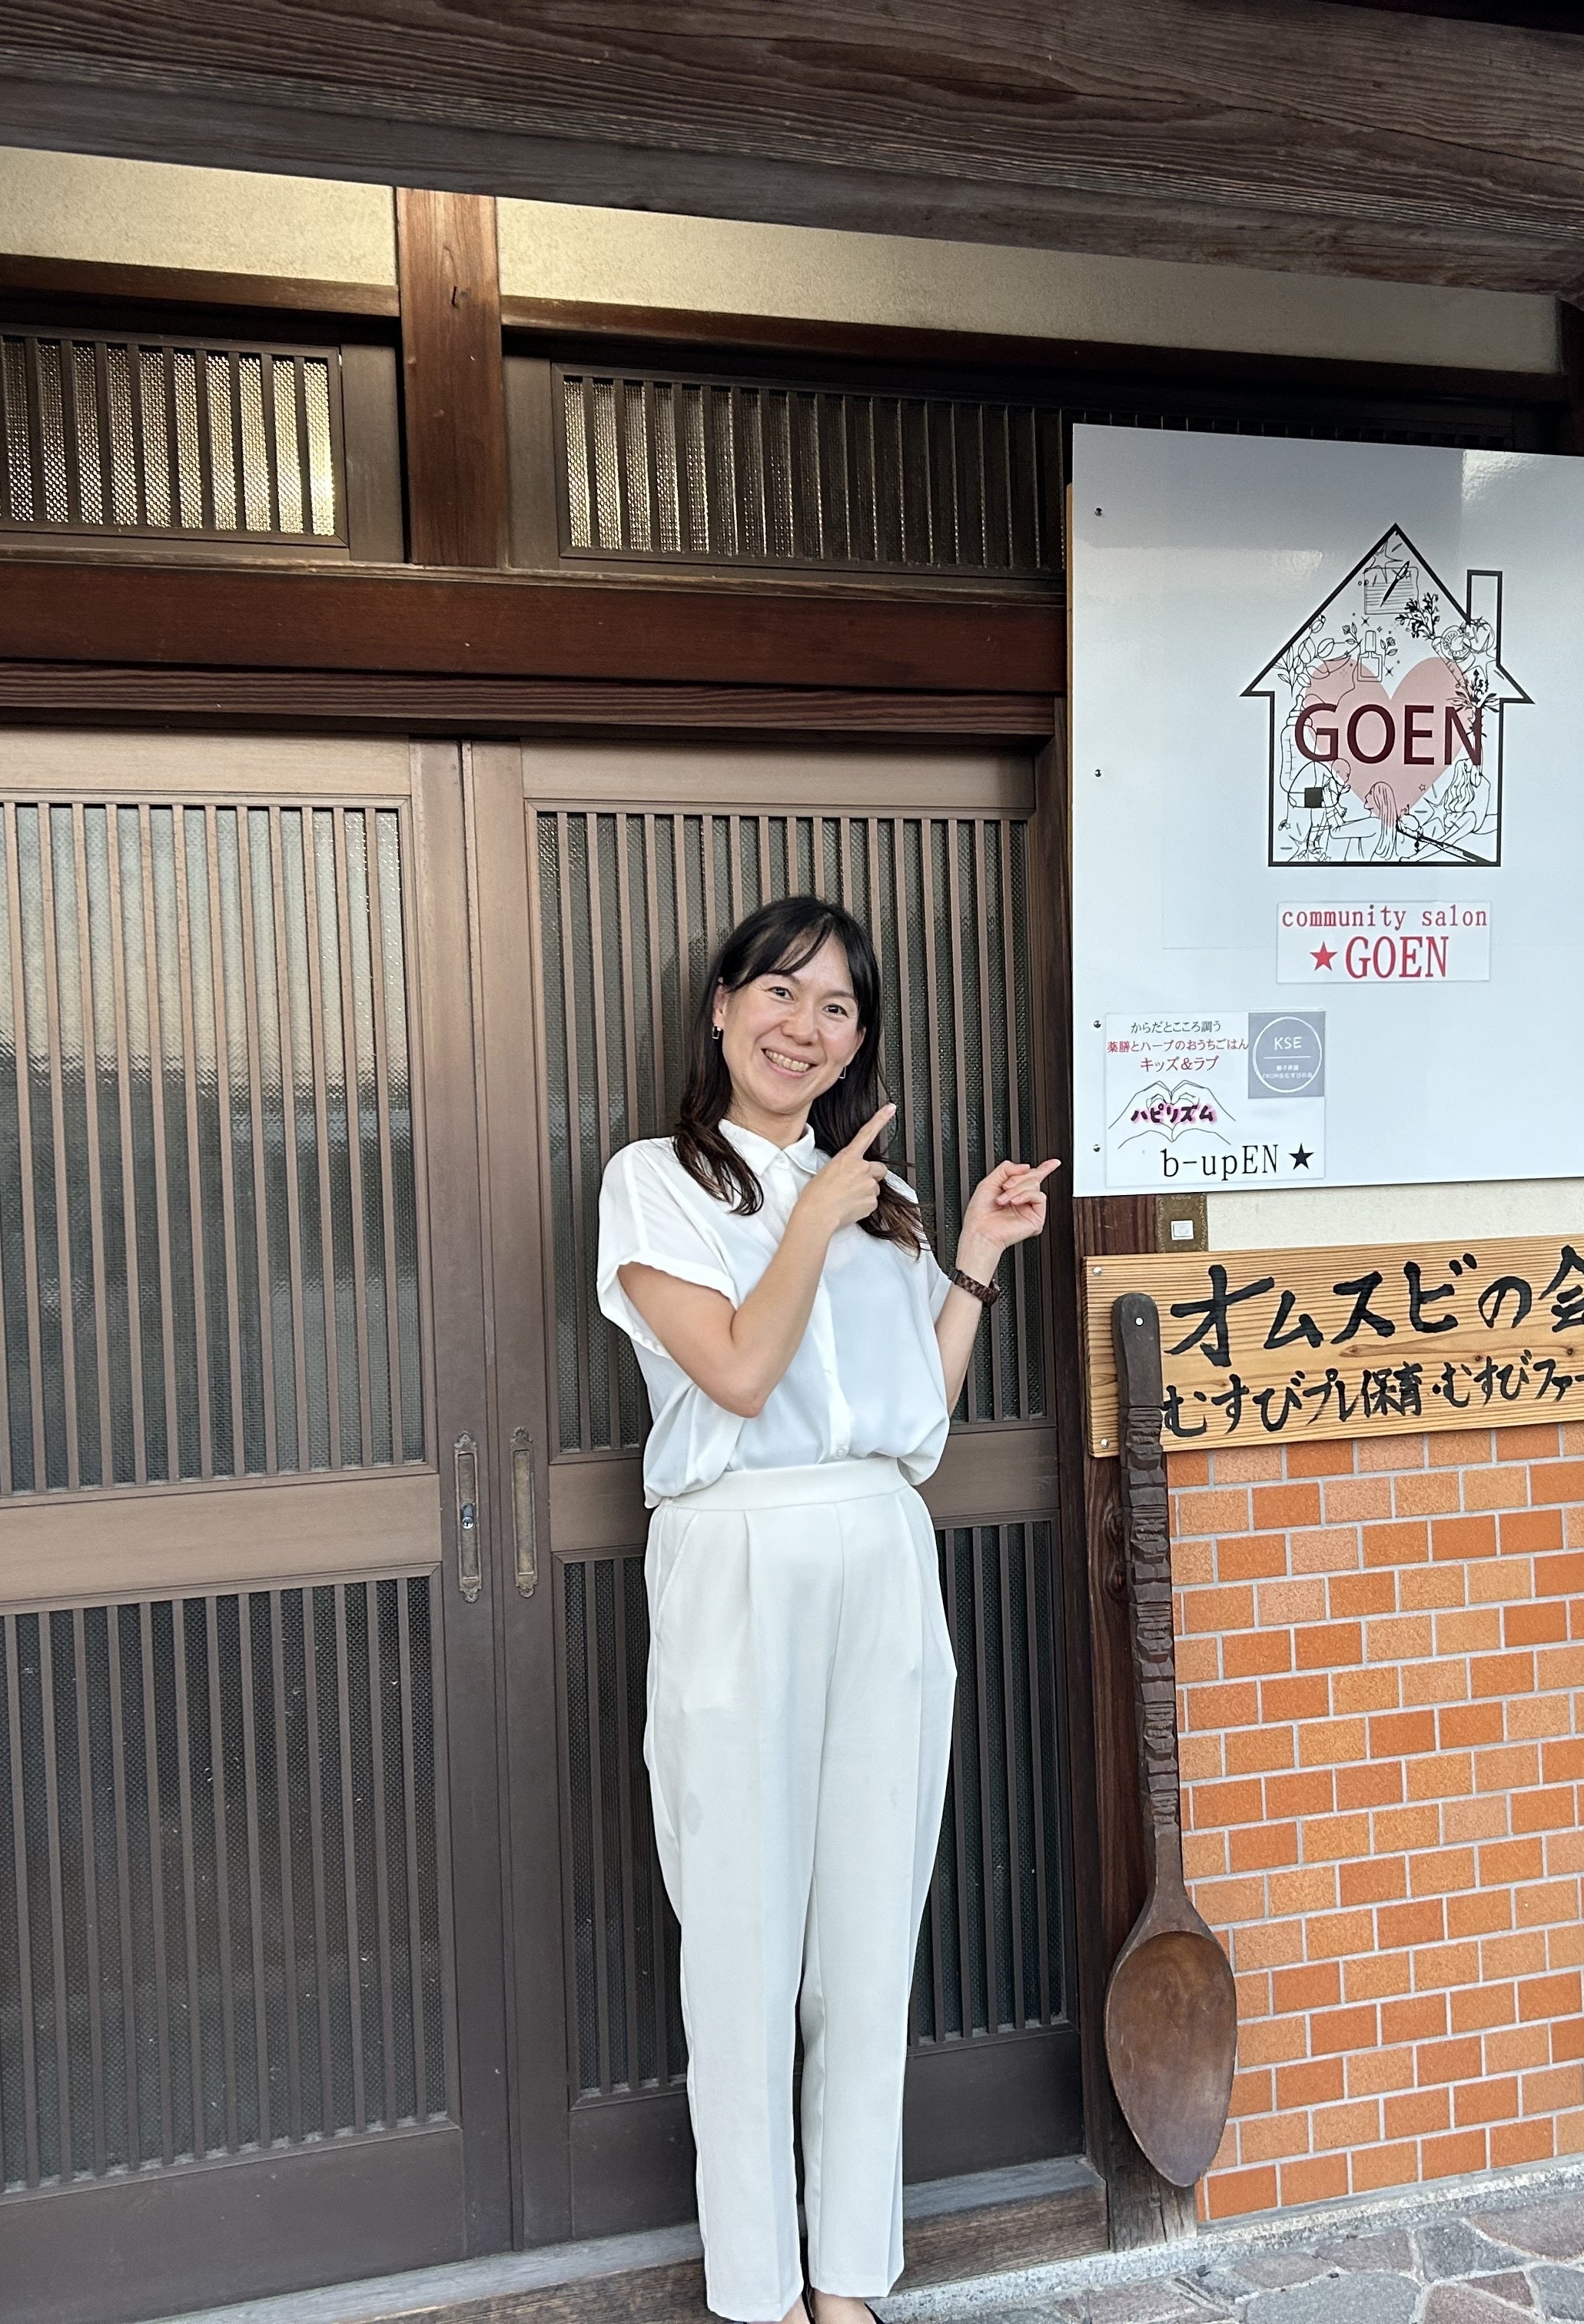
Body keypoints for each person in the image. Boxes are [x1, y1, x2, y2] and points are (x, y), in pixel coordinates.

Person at [597, 895, 1059, 2324]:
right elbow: (739, 1373)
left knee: (869, 1934)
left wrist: (971, 1254)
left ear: (860, 1042)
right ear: (721, 1006)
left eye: (838, 1008)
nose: (804, 1027)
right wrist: (808, 1215)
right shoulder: (654, 1182)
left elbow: (915, 1414)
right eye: (781, 993)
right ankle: (756, 2289)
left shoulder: (880, 1194)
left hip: (879, 1547)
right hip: (740, 1548)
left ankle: (846, 2276)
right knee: (741, 1940)